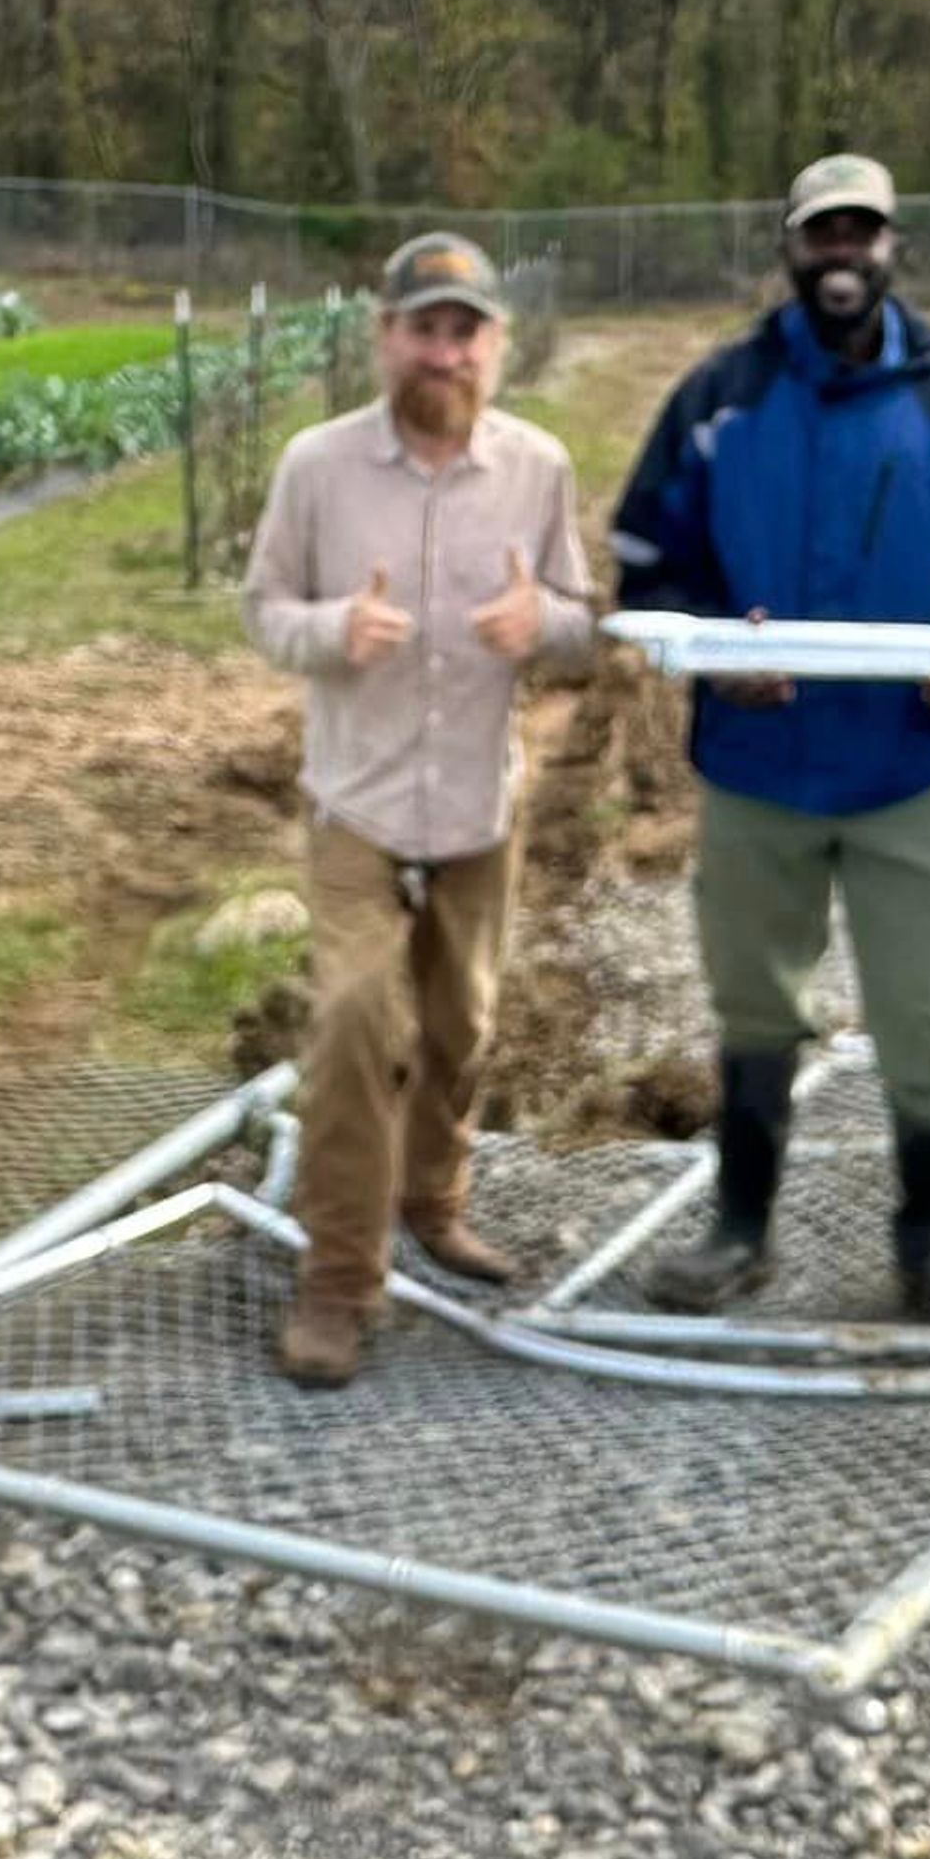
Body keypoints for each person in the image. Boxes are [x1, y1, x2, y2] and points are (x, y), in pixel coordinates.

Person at [609, 152, 930, 1324]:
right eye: (822, 235)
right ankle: (740, 1230)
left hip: (916, 763)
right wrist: (715, 643)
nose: (842, 254)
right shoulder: (720, 401)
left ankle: (926, 1245)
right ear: (790, 248)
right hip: (760, 769)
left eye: (862, 232)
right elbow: (651, 567)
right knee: (755, 1006)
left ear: (893, 244)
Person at [242, 232, 598, 1389]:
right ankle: (341, 1282)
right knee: (355, 1021)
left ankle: (434, 1202)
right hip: (358, 803)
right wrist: (332, 630)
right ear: (383, 336)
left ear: (496, 343)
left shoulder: (537, 468)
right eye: (422, 328)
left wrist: (535, 624)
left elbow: (587, 623)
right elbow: (264, 610)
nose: (444, 352)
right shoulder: (318, 467)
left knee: (462, 1025)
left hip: (478, 811)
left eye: (465, 331)